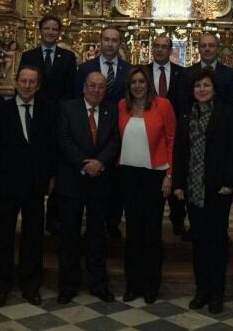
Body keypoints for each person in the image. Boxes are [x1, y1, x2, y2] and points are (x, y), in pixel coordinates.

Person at [0, 66, 56, 308]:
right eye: (23, 81)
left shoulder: (48, 111)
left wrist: (50, 177)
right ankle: (0, 287)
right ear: (15, 83)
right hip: (6, 184)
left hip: (36, 184)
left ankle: (30, 285)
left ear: (38, 85)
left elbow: (51, 148)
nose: (27, 86)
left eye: (32, 82)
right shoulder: (0, 112)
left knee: (33, 236)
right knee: (2, 237)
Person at [172, 68, 233, 315]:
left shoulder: (228, 115)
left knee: (217, 242)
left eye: (206, 86)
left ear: (214, 89)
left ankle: (216, 293)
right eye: (197, 86)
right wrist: (178, 183)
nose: (201, 90)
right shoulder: (187, 115)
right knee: (199, 242)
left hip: (217, 187)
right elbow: (180, 152)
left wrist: (230, 183)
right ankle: (202, 290)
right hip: (193, 187)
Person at [55, 72, 121, 304]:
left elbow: (115, 140)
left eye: (101, 87)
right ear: (84, 87)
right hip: (72, 179)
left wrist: (100, 162)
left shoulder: (111, 110)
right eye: (92, 86)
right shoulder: (67, 108)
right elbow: (63, 139)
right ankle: (67, 285)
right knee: (69, 235)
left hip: (101, 181)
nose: (96, 90)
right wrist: (85, 164)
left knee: (97, 236)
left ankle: (98, 284)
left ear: (106, 90)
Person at [117, 66, 176, 304]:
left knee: (151, 232)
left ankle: (151, 286)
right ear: (129, 86)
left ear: (148, 84)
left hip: (155, 174)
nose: (138, 86)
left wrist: (169, 175)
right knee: (132, 232)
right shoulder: (122, 105)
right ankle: (133, 285)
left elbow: (172, 140)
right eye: (134, 82)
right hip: (129, 175)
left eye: (142, 81)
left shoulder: (163, 105)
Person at [19, 15, 77, 235]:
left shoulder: (68, 57)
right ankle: (32, 215)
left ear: (59, 32)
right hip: (36, 116)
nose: (51, 32)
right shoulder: (29, 55)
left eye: (54, 29)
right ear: (40, 30)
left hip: (60, 116)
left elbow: (71, 89)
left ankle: (54, 217)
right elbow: (25, 85)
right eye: (47, 28)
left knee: (57, 168)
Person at [76, 26, 131, 237]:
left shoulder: (128, 69)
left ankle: (113, 222)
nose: (110, 44)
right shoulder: (84, 68)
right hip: (88, 127)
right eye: (106, 39)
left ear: (120, 43)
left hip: (115, 129)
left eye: (114, 40)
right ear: (100, 41)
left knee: (115, 179)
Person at [148, 34, 188, 235]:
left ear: (171, 50)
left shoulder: (183, 74)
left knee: (175, 175)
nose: (160, 50)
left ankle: (177, 219)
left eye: (164, 47)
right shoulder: (143, 73)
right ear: (151, 49)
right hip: (149, 135)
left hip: (177, 133)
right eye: (157, 46)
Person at [185, 33, 233, 108]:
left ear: (218, 49)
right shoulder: (187, 73)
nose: (207, 49)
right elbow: (184, 103)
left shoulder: (229, 74)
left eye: (211, 45)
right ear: (199, 49)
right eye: (203, 46)